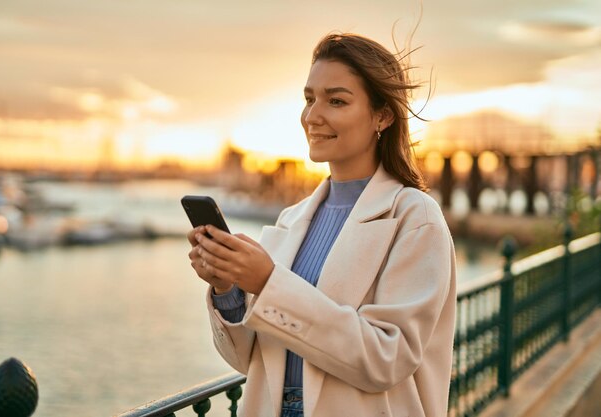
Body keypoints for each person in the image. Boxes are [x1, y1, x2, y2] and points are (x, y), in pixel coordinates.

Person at [187, 32, 456, 417]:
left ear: (382, 115)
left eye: (337, 101)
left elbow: (386, 358)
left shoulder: (415, 218)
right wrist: (226, 286)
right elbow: (252, 359)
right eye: (309, 99)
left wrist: (266, 282)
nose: (313, 116)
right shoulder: (291, 219)